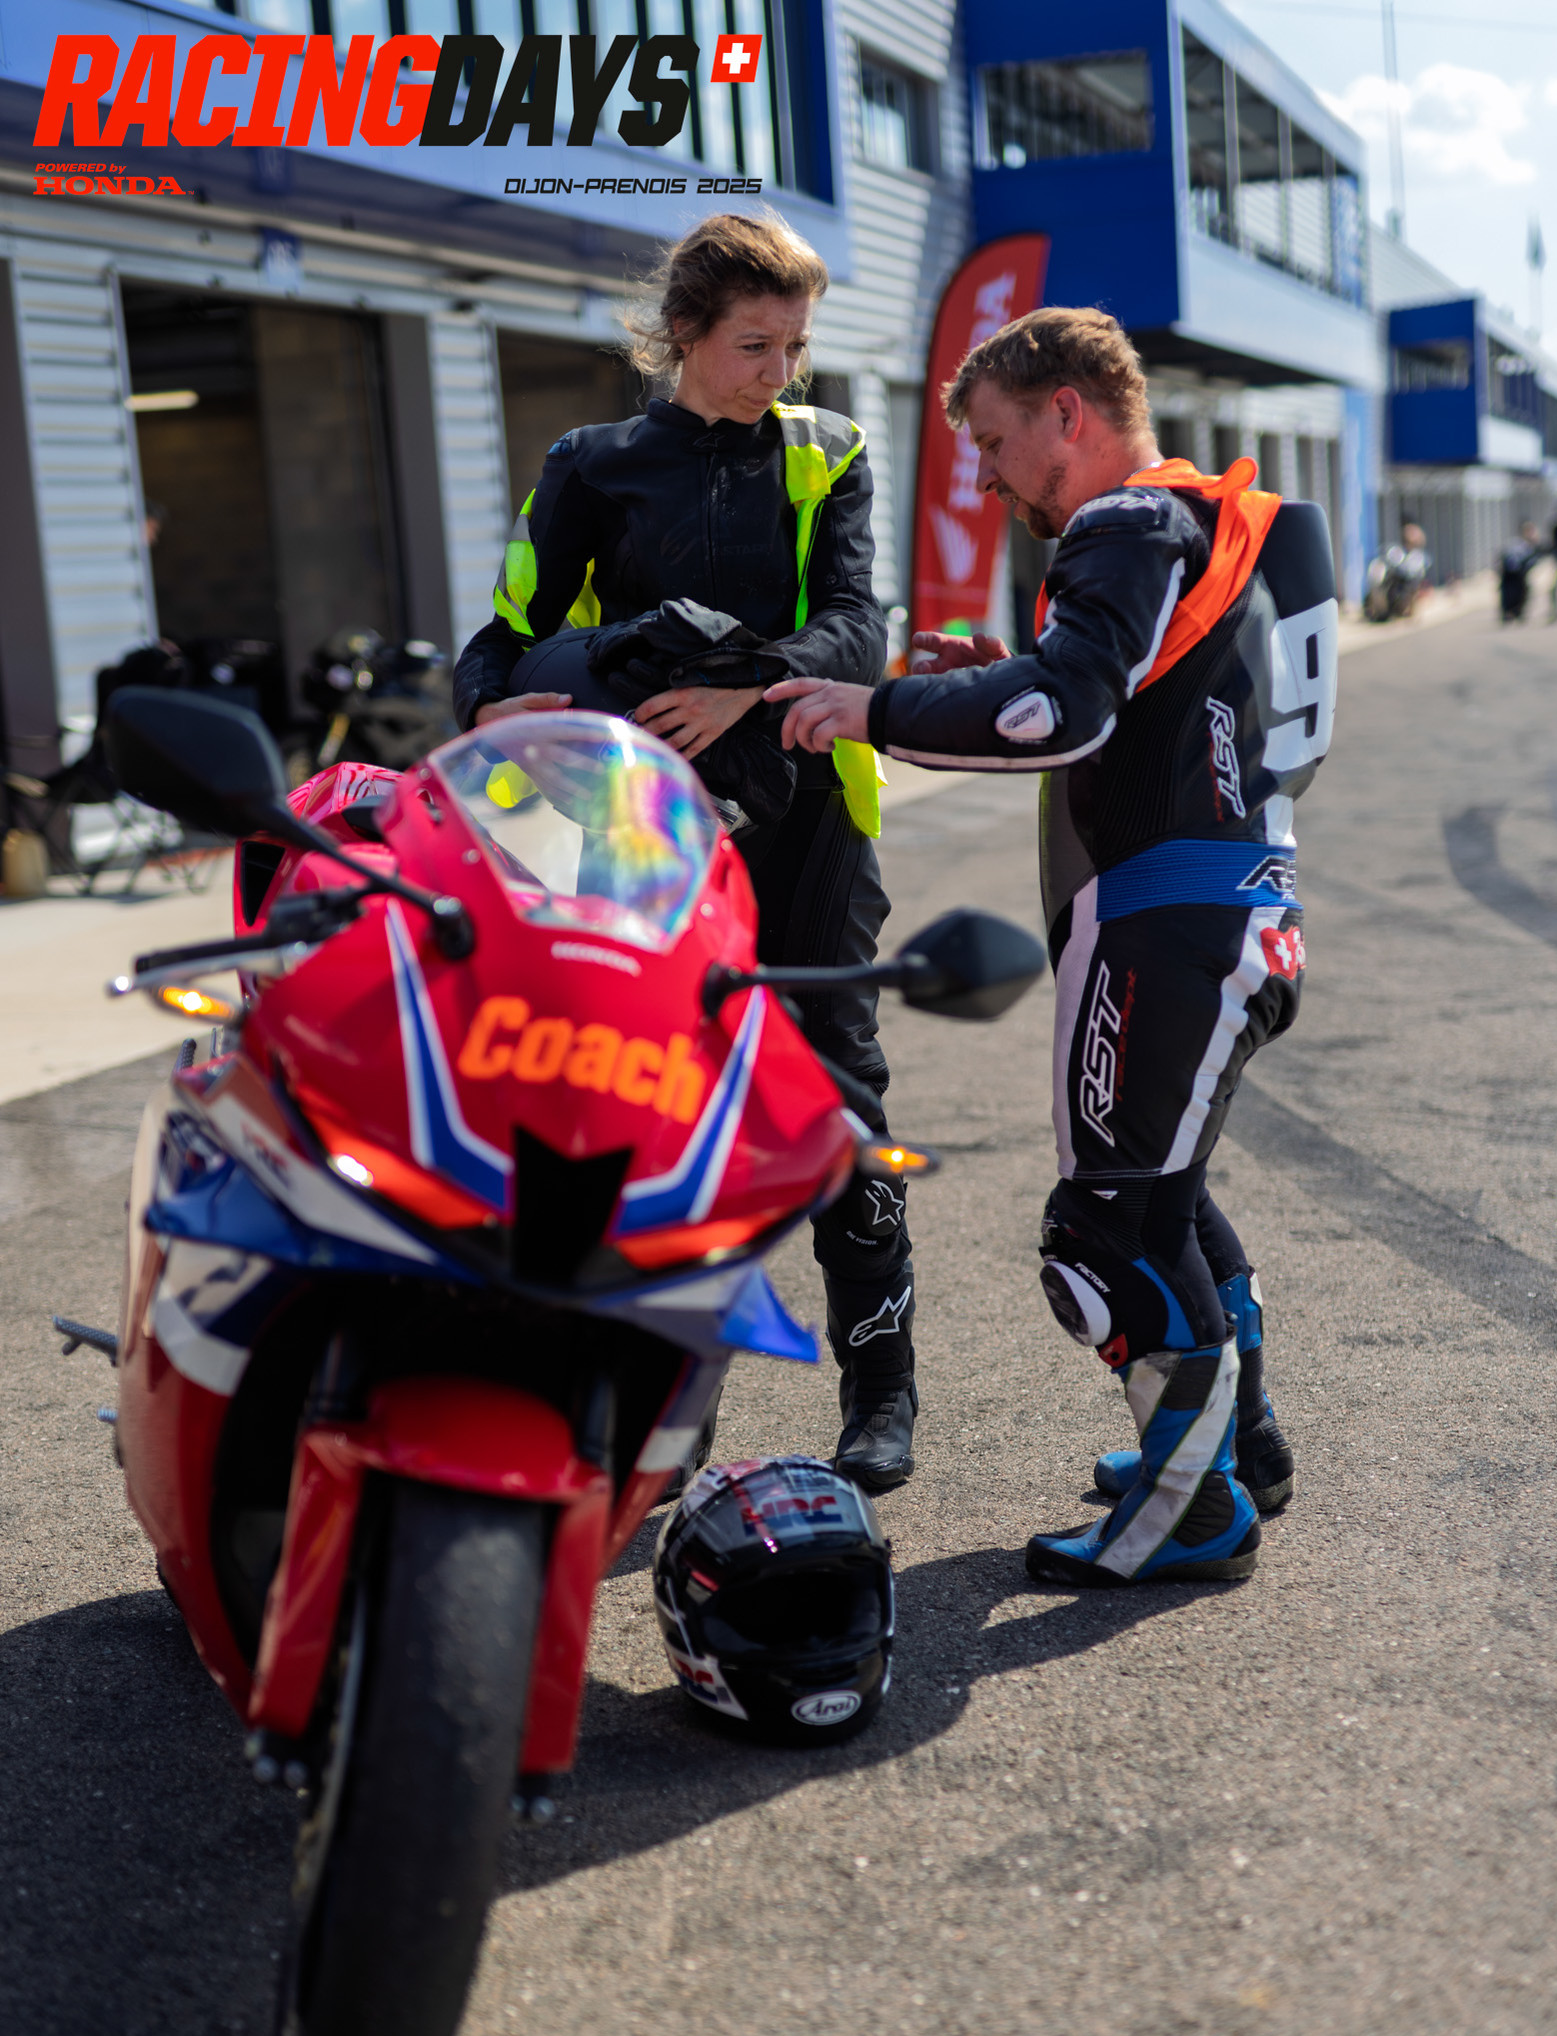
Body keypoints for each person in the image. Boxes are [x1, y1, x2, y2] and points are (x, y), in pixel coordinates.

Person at [769, 306, 1339, 1588]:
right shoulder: (1203, 518)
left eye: (991, 440)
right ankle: (1236, 1454)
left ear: (1066, 414)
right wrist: (1001, 674)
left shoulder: (1124, 521)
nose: (984, 475)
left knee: (1103, 1233)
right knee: (1165, 1200)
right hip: (1233, 910)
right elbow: (1134, 704)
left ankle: (1190, 1515)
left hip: (1167, 926)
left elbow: (1057, 712)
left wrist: (871, 707)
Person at [451, 213, 917, 1491]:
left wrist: (743, 687)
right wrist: (486, 710)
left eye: (796, 346)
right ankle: (672, 1406)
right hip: (636, 833)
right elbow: (505, 638)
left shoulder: (829, 450)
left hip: (811, 817)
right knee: (649, 1105)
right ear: (682, 336)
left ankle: (880, 1383)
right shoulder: (591, 463)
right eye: (755, 344)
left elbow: (858, 625)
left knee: (834, 1094)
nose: (781, 371)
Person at [1499, 520, 1541, 624]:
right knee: (1510, 592)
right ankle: (1509, 612)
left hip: (1519, 573)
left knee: (1521, 591)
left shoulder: (1529, 546)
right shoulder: (1517, 543)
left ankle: (1516, 611)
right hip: (1510, 573)